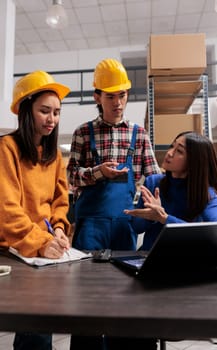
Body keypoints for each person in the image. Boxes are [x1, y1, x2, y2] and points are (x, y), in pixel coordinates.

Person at [67, 58, 160, 350]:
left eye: (122, 95)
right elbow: (70, 175)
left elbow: (153, 176)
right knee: (87, 300)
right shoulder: (83, 133)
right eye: (110, 96)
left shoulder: (139, 134)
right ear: (97, 97)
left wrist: (153, 198)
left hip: (123, 227)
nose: (118, 102)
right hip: (89, 229)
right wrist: (97, 173)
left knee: (123, 296)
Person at [0, 70, 71, 350]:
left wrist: (61, 230)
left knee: (43, 326)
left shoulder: (53, 157)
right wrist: (42, 242)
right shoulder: (7, 149)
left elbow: (60, 202)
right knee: (34, 328)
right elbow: (8, 210)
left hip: (45, 252)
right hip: (14, 251)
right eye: (45, 111)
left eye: (56, 112)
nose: (52, 119)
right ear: (26, 110)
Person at [124, 131, 217, 250]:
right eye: (172, 146)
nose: (170, 153)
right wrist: (149, 217)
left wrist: (164, 218)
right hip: (149, 258)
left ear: (194, 161)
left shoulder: (207, 194)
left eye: (179, 151)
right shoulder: (153, 182)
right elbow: (136, 227)